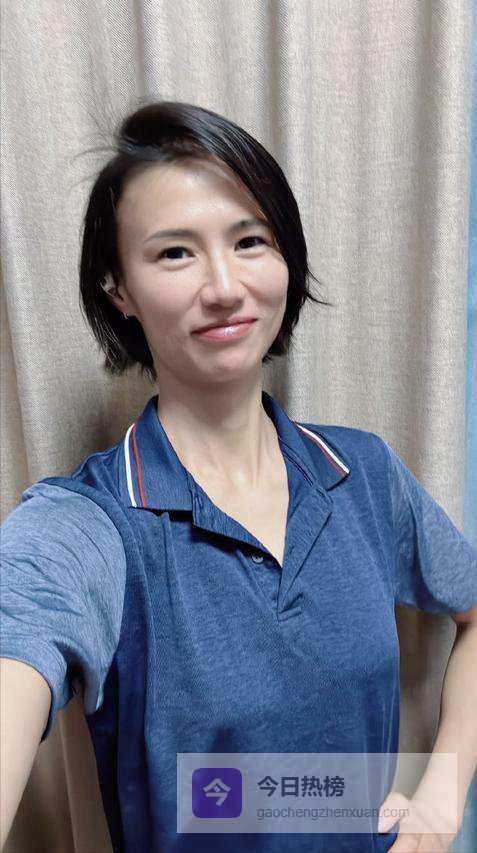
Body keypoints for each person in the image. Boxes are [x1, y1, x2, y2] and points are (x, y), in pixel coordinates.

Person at [1, 100, 476, 853]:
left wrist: (440, 797)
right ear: (118, 287)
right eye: (174, 253)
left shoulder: (363, 474)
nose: (224, 286)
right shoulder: (82, 528)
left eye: (250, 240)